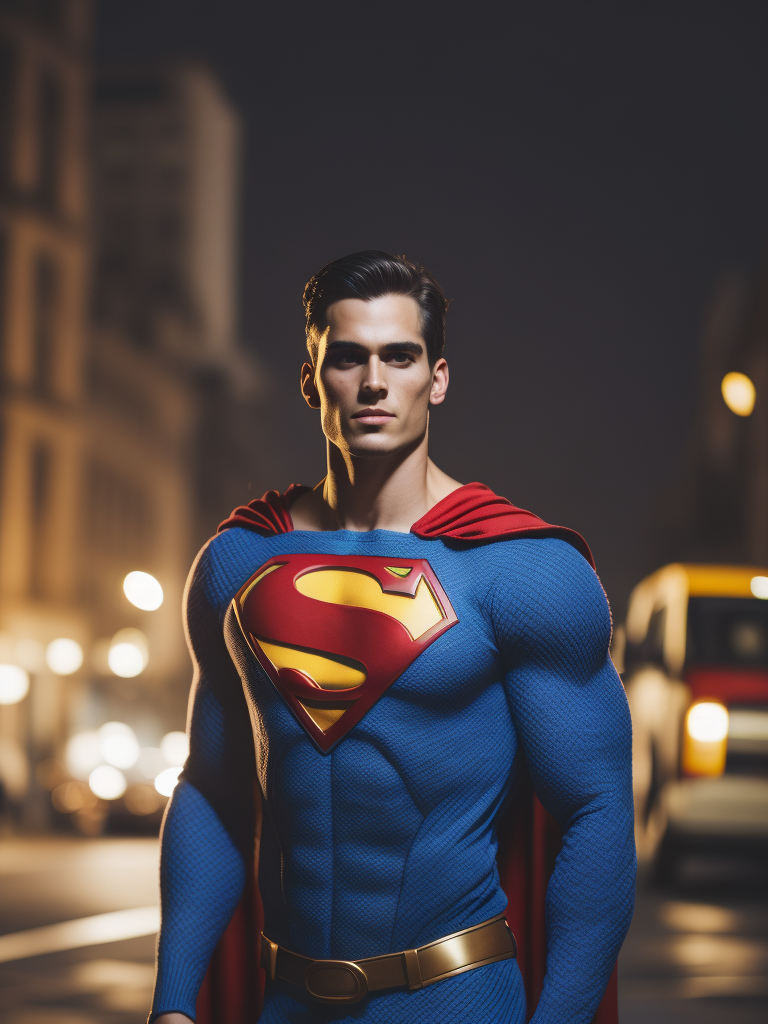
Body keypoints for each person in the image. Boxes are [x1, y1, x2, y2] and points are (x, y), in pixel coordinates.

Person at [150, 251, 635, 1024]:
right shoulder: (236, 562)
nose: (373, 382)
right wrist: (173, 1004)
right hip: (287, 999)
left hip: (455, 997)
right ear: (311, 379)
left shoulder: (520, 572)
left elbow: (596, 809)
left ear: (436, 378)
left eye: (399, 356)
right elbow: (211, 790)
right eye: (347, 358)